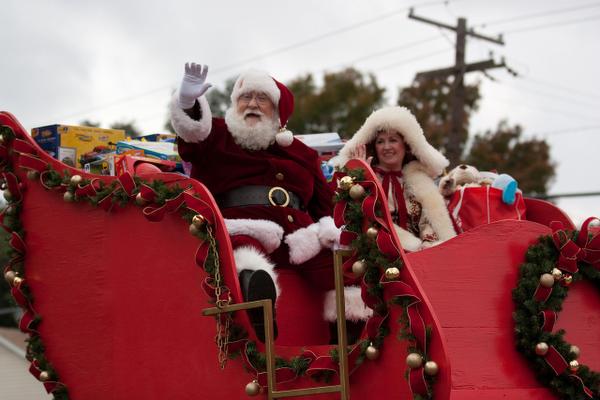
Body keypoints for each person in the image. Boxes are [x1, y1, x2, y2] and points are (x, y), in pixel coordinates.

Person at [169, 63, 340, 341]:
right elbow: (193, 135)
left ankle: (353, 334)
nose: (252, 104)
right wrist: (188, 102)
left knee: (342, 269)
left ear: (278, 112)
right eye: (245, 98)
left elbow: (324, 205)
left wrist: (333, 231)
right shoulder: (218, 136)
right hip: (242, 227)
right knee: (248, 255)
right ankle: (260, 320)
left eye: (262, 99)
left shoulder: (302, 153)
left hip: (299, 235)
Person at [335, 106, 456, 251]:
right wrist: (363, 178)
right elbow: (361, 219)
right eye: (380, 141)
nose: (386, 147)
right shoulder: (366, 179)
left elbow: (429, 222)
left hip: (420, 260)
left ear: (406, 145)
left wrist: (426, 245)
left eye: (393, 140)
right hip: (377, 258)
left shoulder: (420, 181)